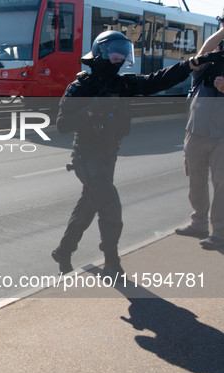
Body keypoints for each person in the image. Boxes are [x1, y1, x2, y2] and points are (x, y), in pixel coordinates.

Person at [51, 30, 215, 280]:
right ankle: (112, 262)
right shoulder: (80, 86)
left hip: (108, 155)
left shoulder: (123, 83)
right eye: (115, 55)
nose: (119, 60)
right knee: (110, 204)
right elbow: (62, 124)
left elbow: (156, 80)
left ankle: (63, 251)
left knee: (90, 204)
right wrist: (92, 108)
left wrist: (189, 64)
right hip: (86, 155)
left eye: (123, 56)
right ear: (100, 54)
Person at [175, 25, 224, 250]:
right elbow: (203, 50)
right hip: (196, 131)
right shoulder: (205, 66)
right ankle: (199, 224)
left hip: (221, 136)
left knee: (221, 185)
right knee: (196, 182)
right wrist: (223, 29)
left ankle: (221, 233)